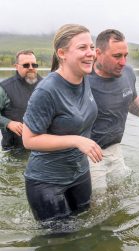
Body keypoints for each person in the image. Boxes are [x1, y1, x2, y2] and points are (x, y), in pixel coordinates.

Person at [22, 24, 102, 222]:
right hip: (46, 182)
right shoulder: (46, 91)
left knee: (85, 225)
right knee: (58, 243)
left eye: (91, 47)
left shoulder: (85, 78)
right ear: (62, 53)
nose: (90, 53)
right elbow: (29, 140)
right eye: (82, 48)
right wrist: (76, 140)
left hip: (80, 173)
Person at [88, 29, 139, 188]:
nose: (123, 62)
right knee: (99, 203)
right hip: (89, 154)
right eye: (117, 56)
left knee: (122, 192)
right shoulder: (83, 79)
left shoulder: (128, 72)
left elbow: (131, 98)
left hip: (115, 149)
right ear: (98, 53)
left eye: (125, 55)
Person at [0, 50, 42, 151]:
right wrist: (8, 123)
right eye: (26, 65)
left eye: (34, 65)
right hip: (14, 150)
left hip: (42, 148)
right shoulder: (4, 88)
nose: (31, 68)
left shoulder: (47, 85)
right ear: (16, 66)